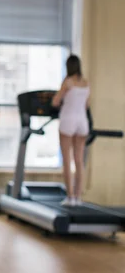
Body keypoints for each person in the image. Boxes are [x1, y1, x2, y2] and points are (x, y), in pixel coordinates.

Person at [51, 54, 90, 207]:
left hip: (68, 120)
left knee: (67, 160)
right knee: (79, 161)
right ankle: (78, 198)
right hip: (82, 121)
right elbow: (86, 106)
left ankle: (70, 197)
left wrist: (60, 104)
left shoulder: (67, 82)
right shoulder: (86, 83)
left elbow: (55, 101)